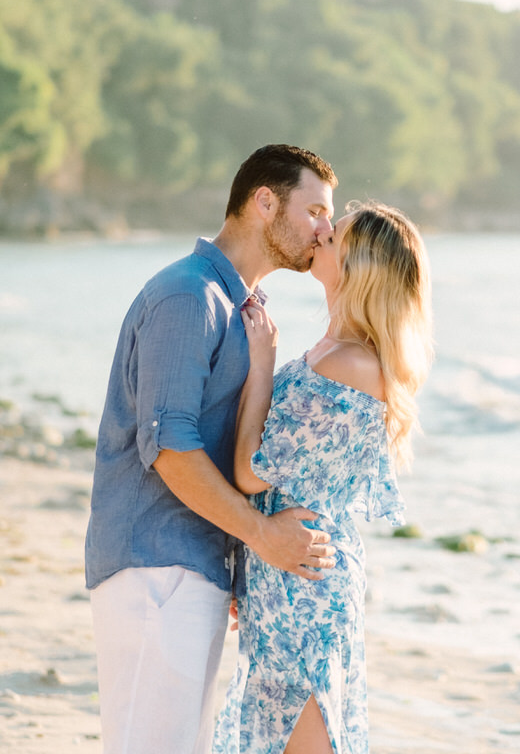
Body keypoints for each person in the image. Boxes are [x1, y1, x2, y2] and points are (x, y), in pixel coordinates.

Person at [85, 144, 342, 754]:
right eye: (315, 211)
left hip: (192, 564)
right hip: (153, 562)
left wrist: (237, 557)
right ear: (264, 202)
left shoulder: (241, 309)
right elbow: (170, 448)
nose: (325, 230)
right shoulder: (189, 296)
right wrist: (261, 534)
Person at [212, 201, 433, 754]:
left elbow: (248, 471)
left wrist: (262, 362)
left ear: (361, 269)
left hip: (309, 584)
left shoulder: (351, 364)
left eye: (336, 236)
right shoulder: (331, 350)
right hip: (283, 570)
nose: (322, 234)